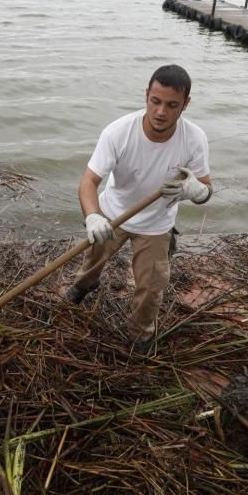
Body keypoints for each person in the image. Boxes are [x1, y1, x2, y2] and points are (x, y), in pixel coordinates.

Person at [65, 64, 212, 352]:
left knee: (152, 287)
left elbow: (206, 189)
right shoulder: (118, 132)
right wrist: (94, 216)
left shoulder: (194, 139)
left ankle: (140, 336)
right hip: (113, 214)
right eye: (155, 101)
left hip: (158, 223)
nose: (160, 112)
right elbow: (89, 181)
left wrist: (195, 191)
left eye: (172, 105)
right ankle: (85, 285)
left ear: (186, 104)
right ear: (146, 95)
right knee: (91, 264)